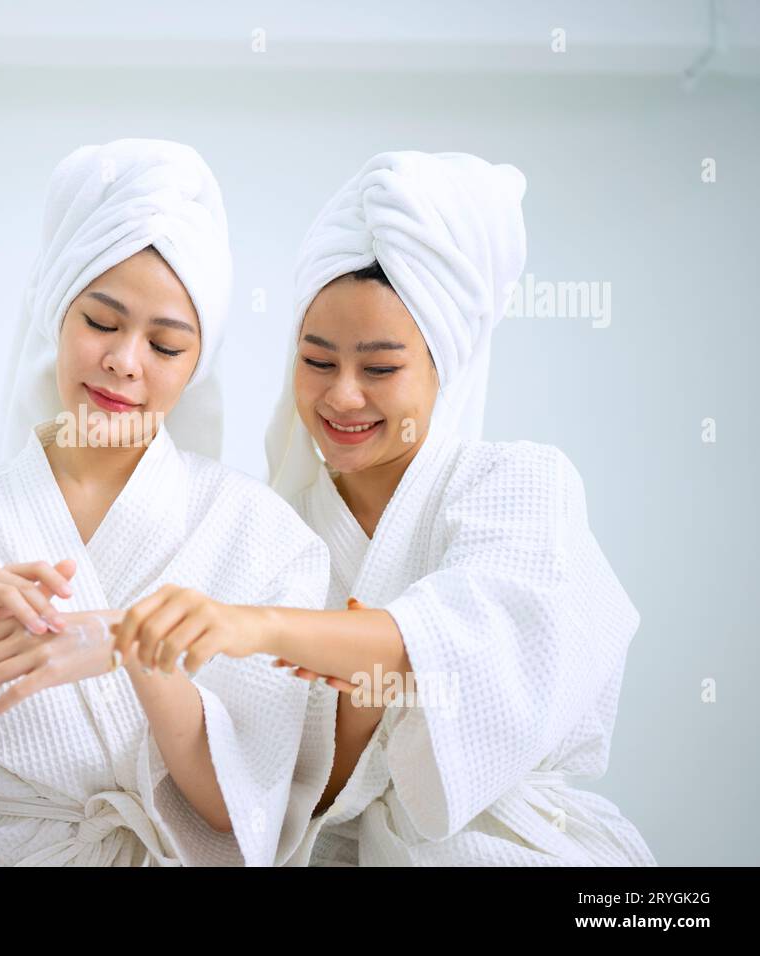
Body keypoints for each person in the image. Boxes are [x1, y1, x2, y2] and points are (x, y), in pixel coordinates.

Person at [114, 150, 656, 866]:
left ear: (444, 364)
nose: (342, 395)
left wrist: (260, 628)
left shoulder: (522, 484)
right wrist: (359, 710)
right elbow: (288, 793)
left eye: (379, 368)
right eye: (316, 361)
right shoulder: (277, 529)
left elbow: (469, 642)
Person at [0, 139, 333, 867]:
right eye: (102, 322)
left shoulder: (259, 534)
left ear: (197, 366)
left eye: (165, 346)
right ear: (56, 316)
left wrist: (134, 645)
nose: (124, 361)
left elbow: (237, 811)